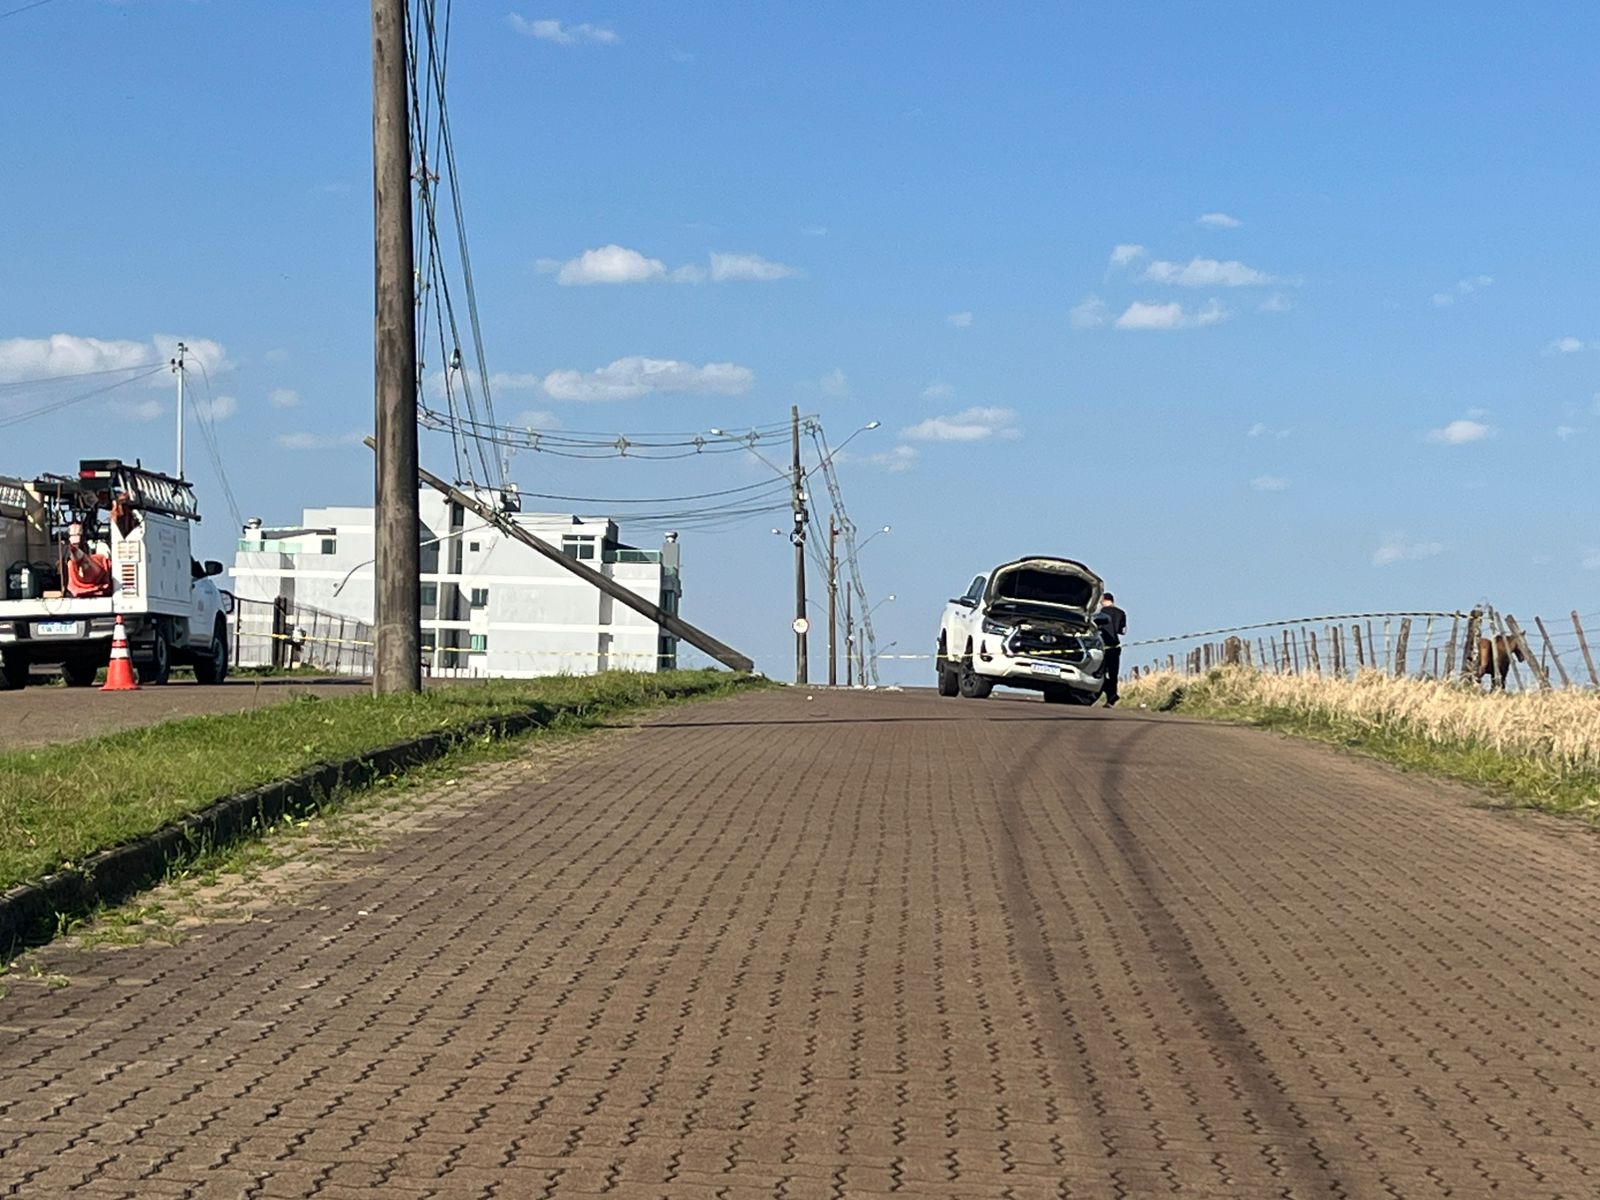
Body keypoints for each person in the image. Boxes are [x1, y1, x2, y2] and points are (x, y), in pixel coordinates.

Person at [1096, 592, 1127, 706]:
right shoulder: (1121, 613)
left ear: (1104, 600)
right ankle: (1112, 696)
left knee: (1100, 670)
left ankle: (1106, 692)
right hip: (1115, 645)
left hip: (1102, 644)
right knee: (1113, 673)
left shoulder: (1100, 613)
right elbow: (1122, 631)